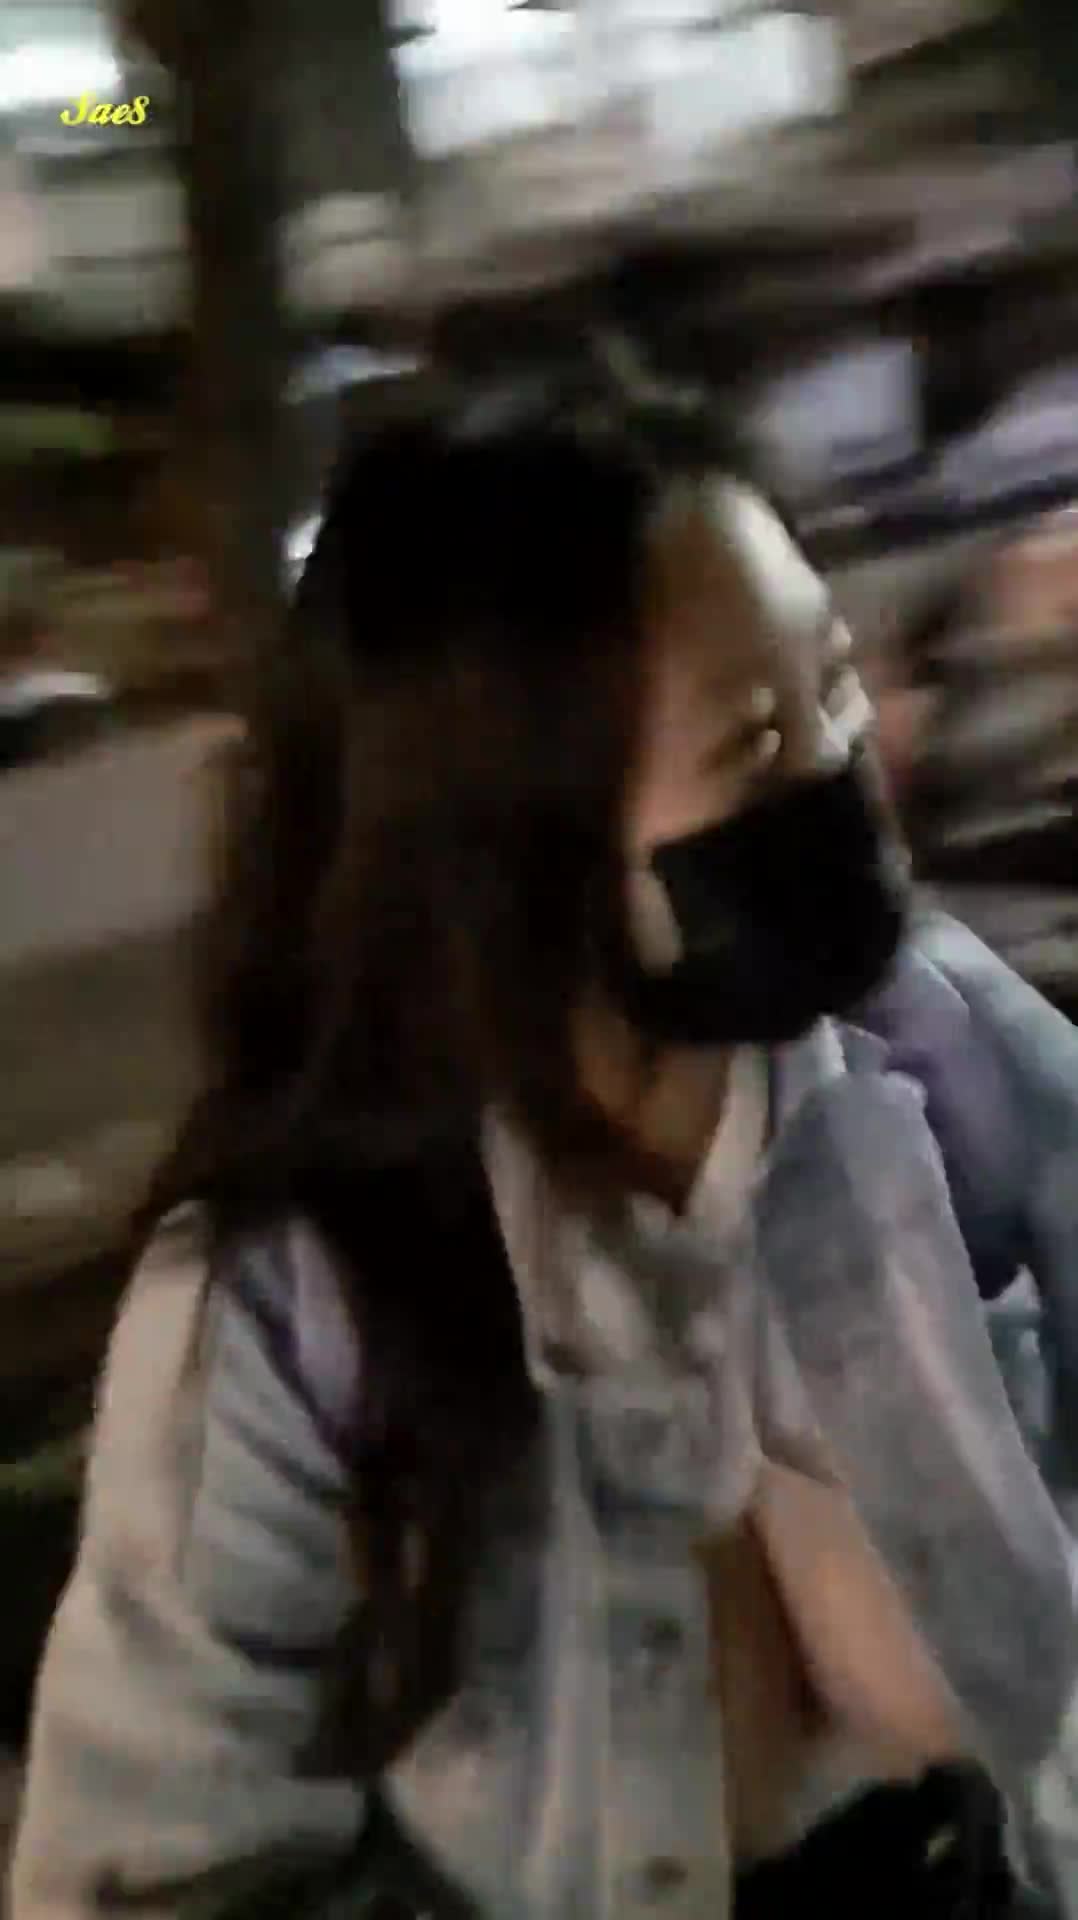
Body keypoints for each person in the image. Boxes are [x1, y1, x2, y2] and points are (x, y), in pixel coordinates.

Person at [11, 367, 1078, 1920]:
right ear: (518, 843)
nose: (842, 764)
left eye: (836, 683)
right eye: (754, 740)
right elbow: (146, 1880)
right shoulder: (292, 1323)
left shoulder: (951, 1063)